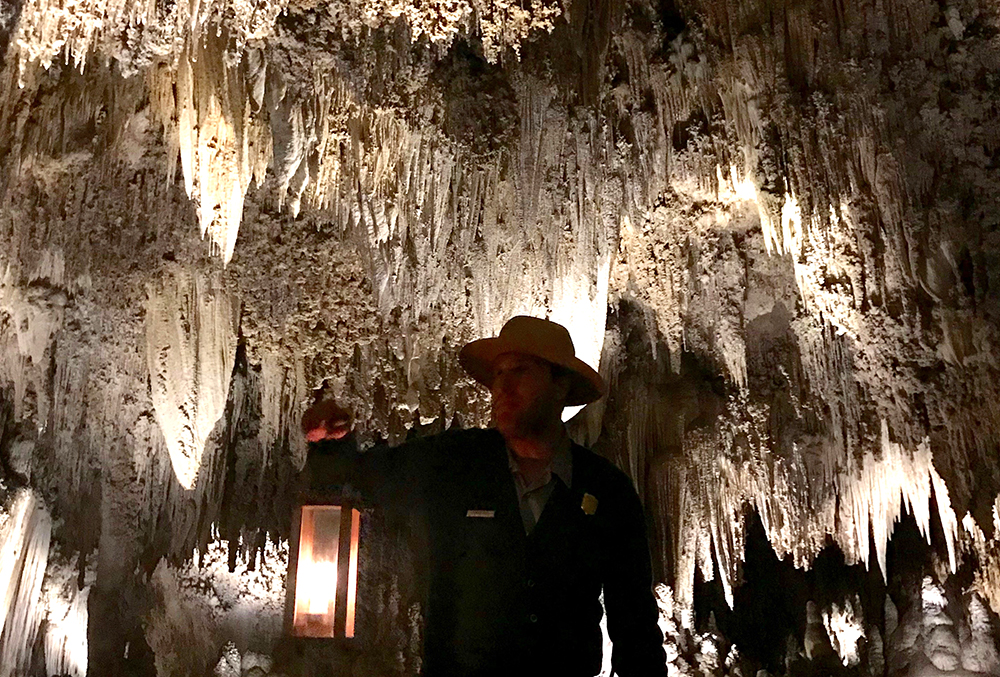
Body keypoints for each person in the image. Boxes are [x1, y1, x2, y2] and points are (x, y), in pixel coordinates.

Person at [302, 316, 666, 676]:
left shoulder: (606, 490)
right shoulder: (455, 463)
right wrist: (332, 443)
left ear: (560, 387)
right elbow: (366, 475)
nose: (502, 387)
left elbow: (634, 622)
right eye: (498, 374)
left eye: (520, 372)